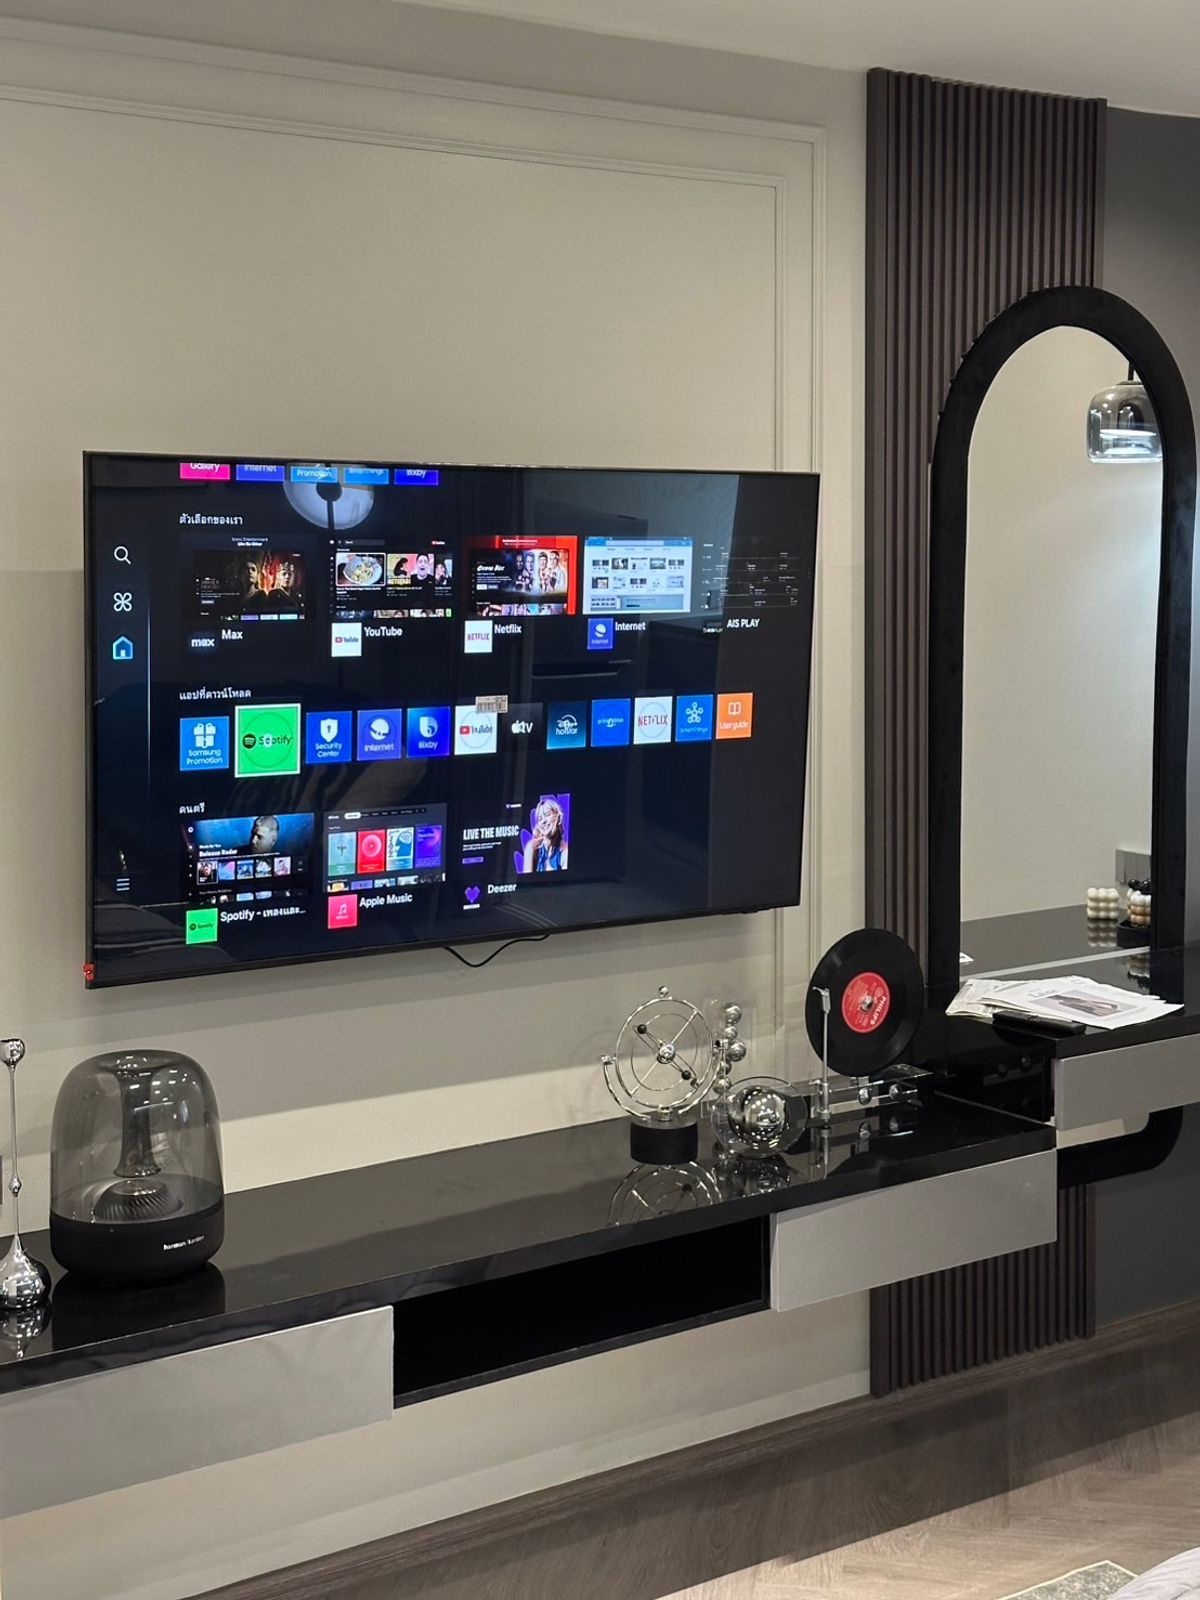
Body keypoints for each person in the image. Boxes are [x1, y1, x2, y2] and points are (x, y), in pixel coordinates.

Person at [522, 797, 568, 873]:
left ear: (559, 818)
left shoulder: (565, 851)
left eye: (547, 814)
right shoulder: (531, 848)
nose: (543, 821)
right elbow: (527, 878)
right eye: (539, 819)